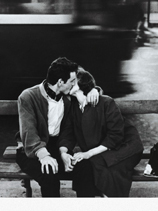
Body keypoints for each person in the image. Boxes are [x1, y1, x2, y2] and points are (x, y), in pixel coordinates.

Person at [15, 57, 100, 197]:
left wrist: (93, 90)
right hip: (30, 151)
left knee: (85, 167)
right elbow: (29, 133)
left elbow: (67, 131)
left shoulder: (67, 98)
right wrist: (44, 155)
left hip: (56, 147)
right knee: (49, 174)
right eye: (72, 82)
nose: (74, 85)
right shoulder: (28, 96)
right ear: (60, 82)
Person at [58, 69, 144, 197]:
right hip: (101, 149)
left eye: (72, 81)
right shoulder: (73, 105)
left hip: (124, 147)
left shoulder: (106, 102)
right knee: (82, 165)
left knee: (100, 167)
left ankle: (106, 197)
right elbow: (68, 133)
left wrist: (88, 153)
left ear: (81, 85)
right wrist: (63, 153)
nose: (67, 83)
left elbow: (115, 136)